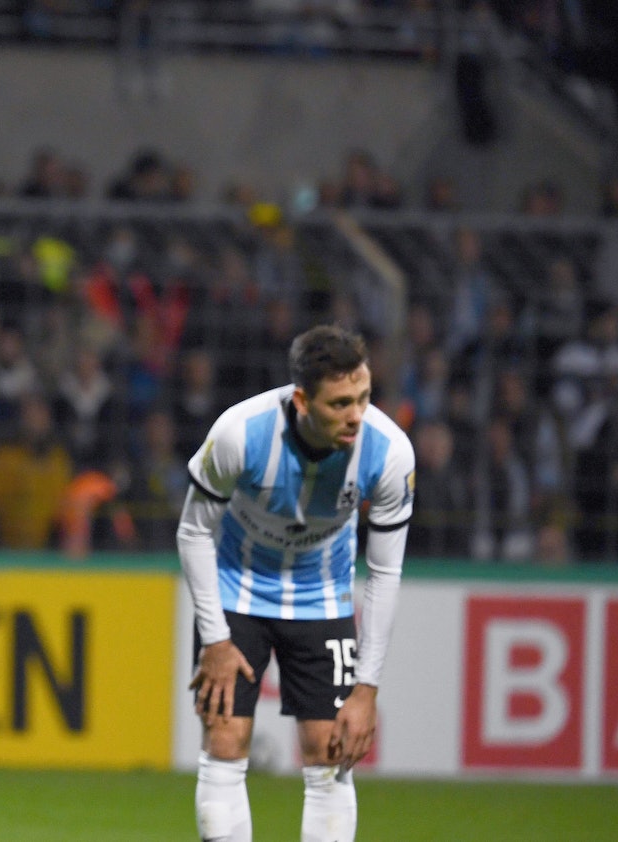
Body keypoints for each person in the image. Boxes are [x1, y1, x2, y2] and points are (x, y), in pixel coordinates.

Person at [176, 324, 416, 842]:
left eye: (364, 398)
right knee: (224, 739)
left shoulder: (390, 454)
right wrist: (215, 639)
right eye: (340, 404)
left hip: (322, 598)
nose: (357, 416)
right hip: (235, 589)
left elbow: (384, 573)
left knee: (331, 754)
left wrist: (367, 688)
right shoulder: (241, 432)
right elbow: (194, 532)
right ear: (302, 399)